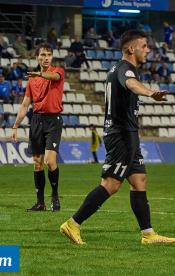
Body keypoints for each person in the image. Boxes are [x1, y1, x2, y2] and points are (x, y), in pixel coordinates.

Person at [60, 29, 175, 245]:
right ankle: (72, 224)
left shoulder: (119, 67)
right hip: (121, 134)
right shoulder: (125, 69)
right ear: (131, 48)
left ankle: (148, 234)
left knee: (139, 180)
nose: (148, 50)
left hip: (129, 133)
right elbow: (130, 83)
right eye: (144, 46)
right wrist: (150, 93)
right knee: (111, 184)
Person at [11, 42, 65, 212]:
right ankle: (40, 203)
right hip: (37, 120)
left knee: (50, 161)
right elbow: (25, 105)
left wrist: (41, 74)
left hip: (53, 121)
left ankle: (55, 196)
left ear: (52, 57)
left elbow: (54, 77)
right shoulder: (32, 80)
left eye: (49, 54)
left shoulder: (58, 71)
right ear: (37, 57)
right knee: (37, 163)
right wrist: (15, 126)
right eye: (43, 55)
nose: (46, 57)